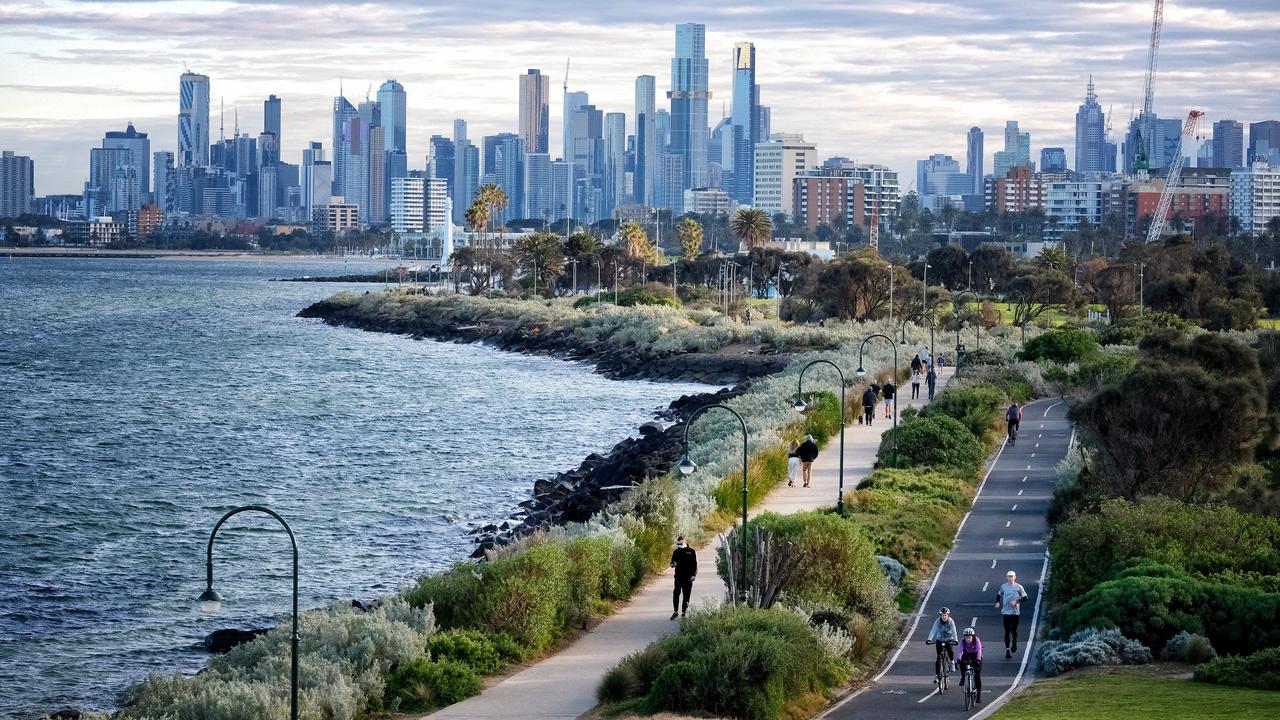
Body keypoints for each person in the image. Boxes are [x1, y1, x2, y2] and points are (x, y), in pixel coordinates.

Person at [995, 570, 1029, 657]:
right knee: (1007, 631)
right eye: (1009, 577)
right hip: (1006, 612)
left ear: (1015, 577)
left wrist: (1017, 601)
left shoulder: (1019, 587)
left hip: (1015, 613)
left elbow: (1025, 598)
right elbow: (999, 594)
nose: (1010, 578)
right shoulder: (1003, 586)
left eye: (1012, 577)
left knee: (1014, 630)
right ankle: (1007, 650)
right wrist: (998, 602)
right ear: (1007, 577)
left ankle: (1014, 641)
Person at [926, 606, 959, 681]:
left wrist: (955, 640)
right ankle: (937, 675)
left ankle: (952, 662)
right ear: (940, 616)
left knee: (950, 650)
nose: (944, 617)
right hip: (940, 639)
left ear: (948, 616)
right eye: (942, 615)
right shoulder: (937, 621)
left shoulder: (951, 622)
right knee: (938, 657)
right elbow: (933, 630)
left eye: (945, 615)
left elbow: (954, 631)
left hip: (949, 639)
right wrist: (929, 639)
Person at [669, 536, 697, 619]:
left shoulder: (691, 551)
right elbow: (672, 564)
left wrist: (693, 575)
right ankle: (675, 611)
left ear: (685, 542)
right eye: (678, 544)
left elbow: (694, 564)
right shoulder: (676, 552)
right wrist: (673, 564)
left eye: (680, 543)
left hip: (688, 577)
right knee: (676, 592)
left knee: (686, 594)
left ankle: (684, 612)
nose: (679, 545)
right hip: (678, 576)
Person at [959, 626, 984, 702]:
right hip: (967, 654)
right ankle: (963, 677)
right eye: (966, 637)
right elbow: (959, 651)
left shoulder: (977, 640)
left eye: (969, 637)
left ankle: (978, 695)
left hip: (976, 655)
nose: (968, 639)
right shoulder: (962, 641)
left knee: (977, 676)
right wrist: (958, 659)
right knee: (962, 663)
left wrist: (978, 659)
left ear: (972, 637)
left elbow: (979, 650)